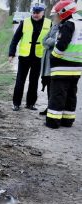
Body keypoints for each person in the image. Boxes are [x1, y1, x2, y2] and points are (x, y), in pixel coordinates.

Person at [46, 0, 82, 129]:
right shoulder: (80, 24)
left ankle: (53, 122)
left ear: (64, 12)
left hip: (62, 67)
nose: (55, 17)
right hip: (77, 67)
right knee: (71, 94)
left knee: (58, 95)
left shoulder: (68, 25)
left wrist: (53, 57)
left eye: (56, 14)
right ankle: (67, 121)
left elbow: (61, 46)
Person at [9, 3, 51, 111]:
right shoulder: (25, 22)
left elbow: (52, 40)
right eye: (34, 12)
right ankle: (16, 103)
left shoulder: (49, 23)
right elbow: (15, 39)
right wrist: (11, 53)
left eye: (38, 13)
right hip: (24, 57)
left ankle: (30, 103)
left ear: (43, 12)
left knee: (34, 82)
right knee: (20, 81)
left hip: (38, 57)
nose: (35, 15)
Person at [39, 11, 61, 116]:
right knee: (48, 85)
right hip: (47, 61)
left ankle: (52, 108)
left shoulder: (62, 27)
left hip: (54, 61)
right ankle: (49, 107)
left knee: (54, 87)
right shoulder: (54, 26)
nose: (54, 17)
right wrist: (49, 41)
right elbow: (44, 40)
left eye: (55, 16)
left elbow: (55, 41)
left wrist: (49, 41)